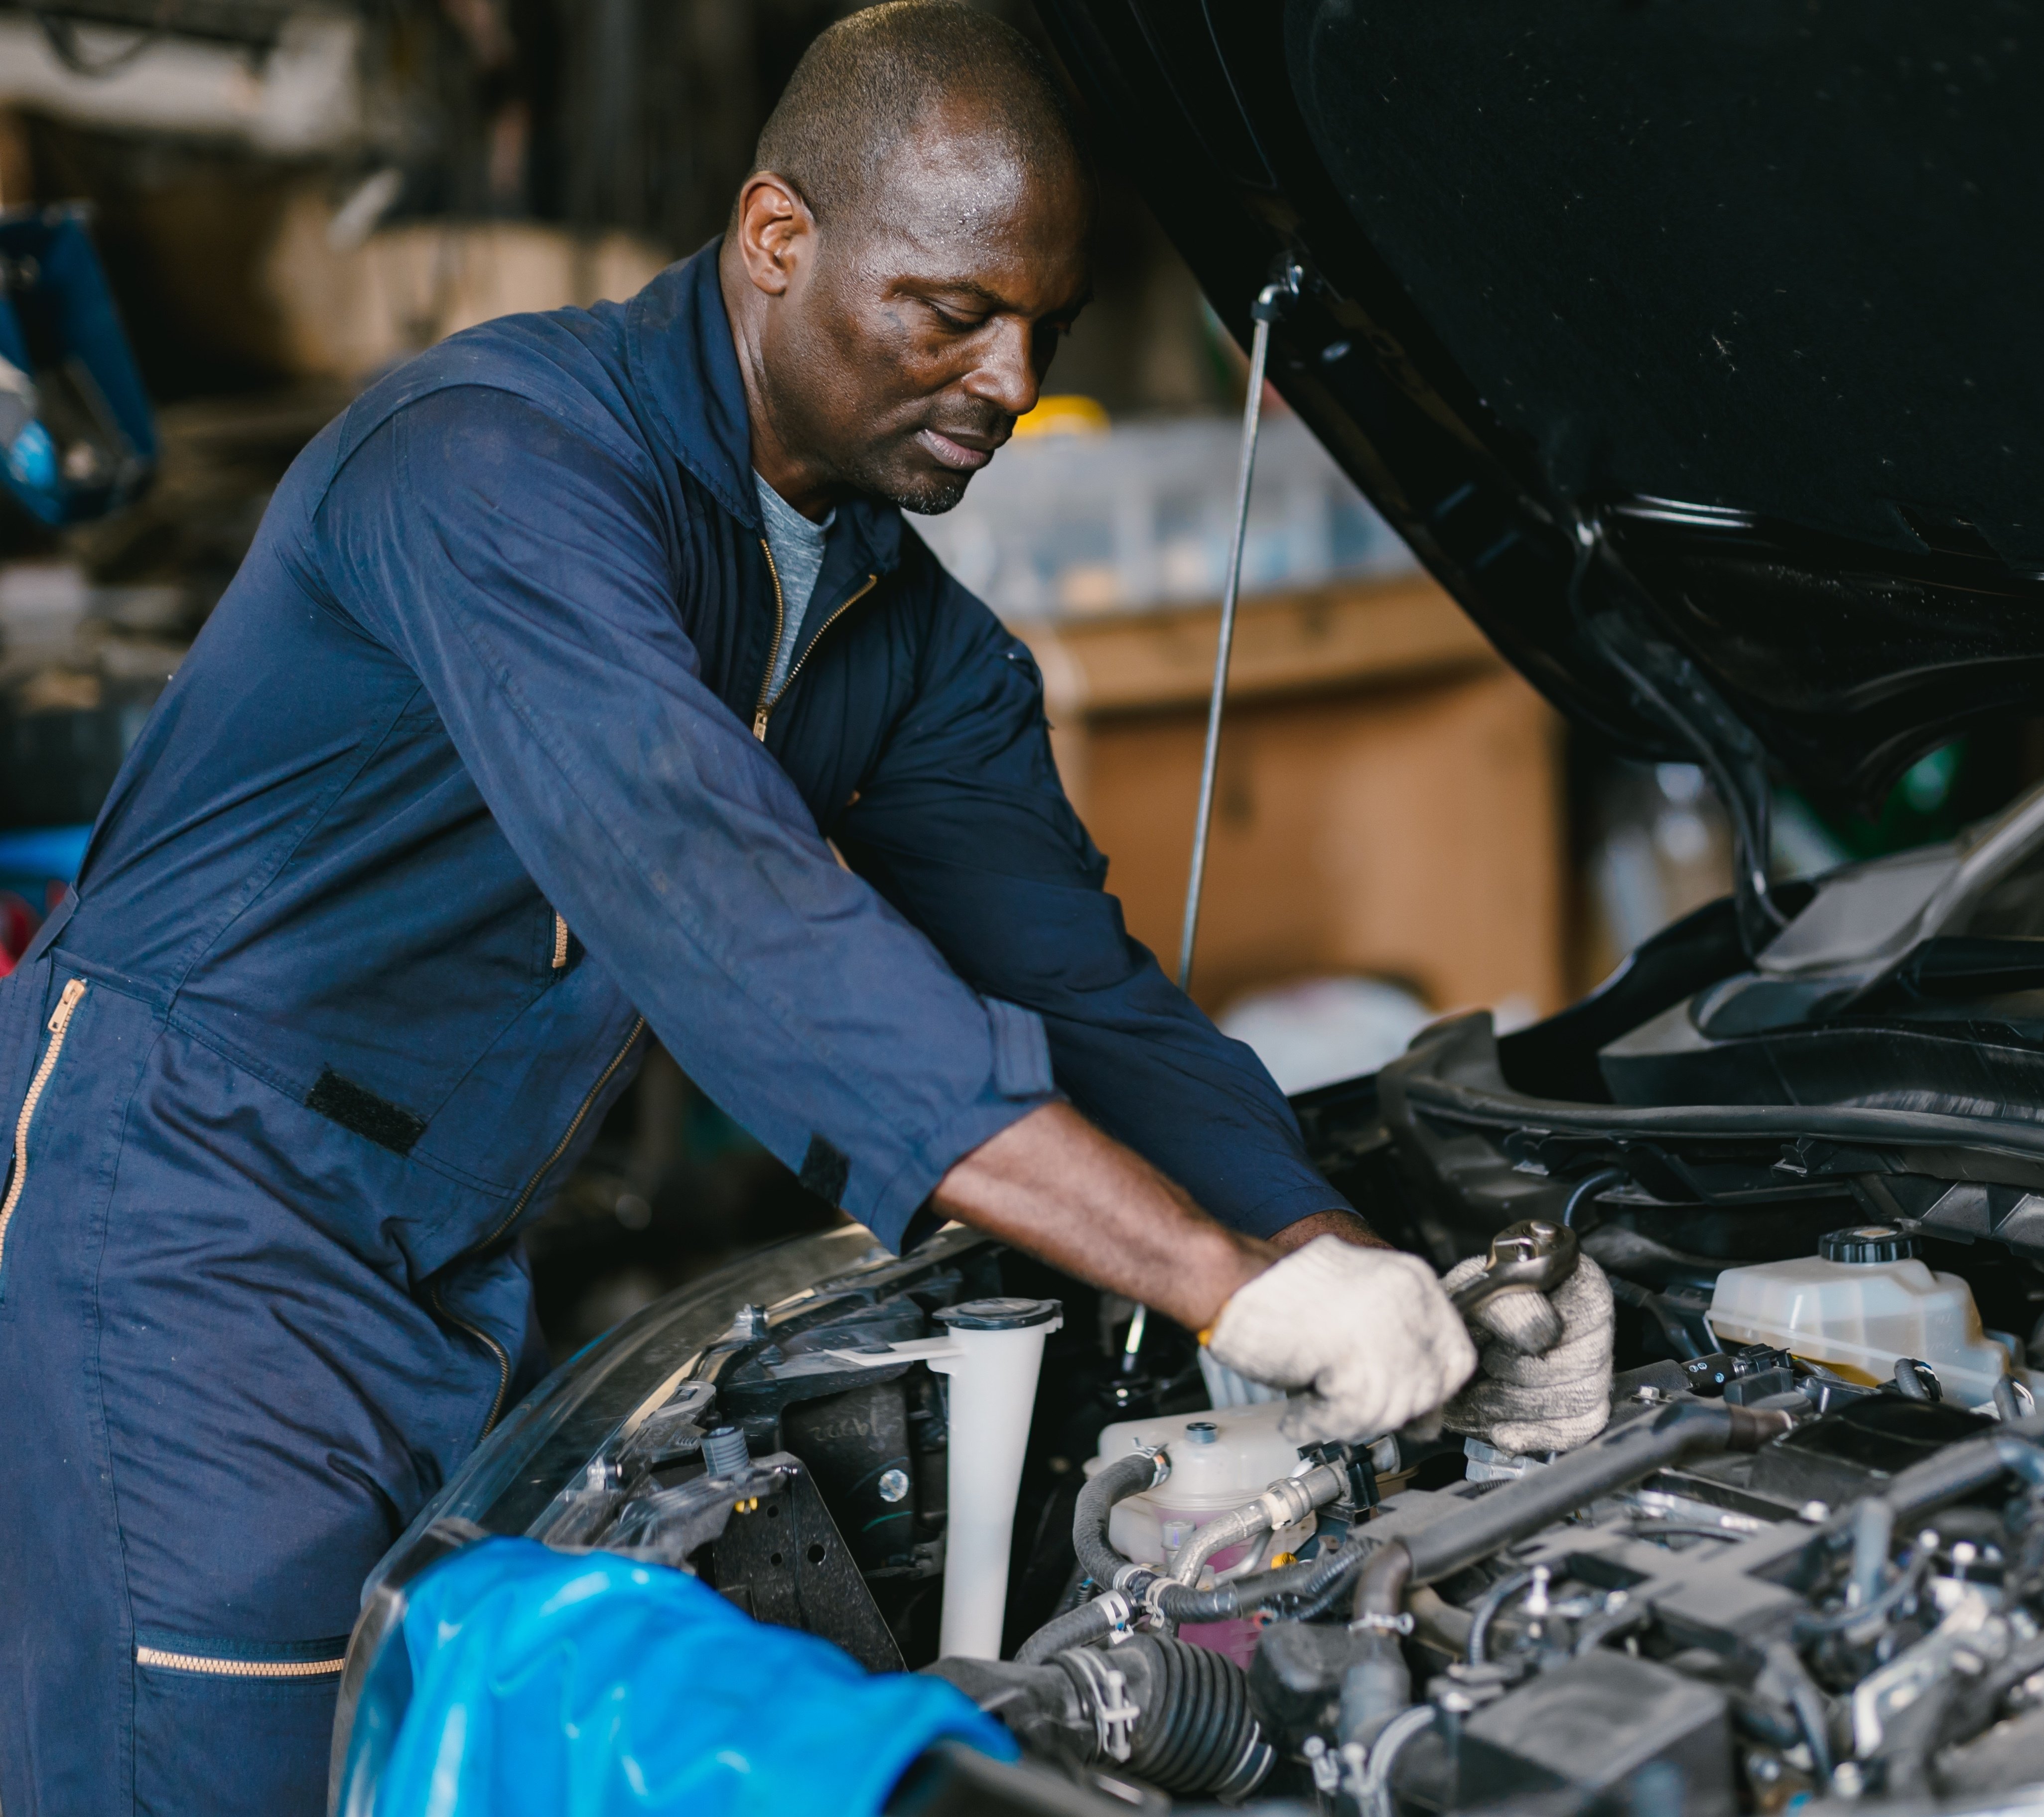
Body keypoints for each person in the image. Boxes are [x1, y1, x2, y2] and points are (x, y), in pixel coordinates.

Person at [0, 8, 1602, 1812]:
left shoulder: (898, 634)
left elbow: (1085, 994)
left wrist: (1340, 1253)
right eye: (952, 311)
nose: (1006, 381)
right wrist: (1214, 1288)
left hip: (444, 1258)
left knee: (412, 1759)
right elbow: (726, 908)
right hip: (188, 1212)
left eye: (1043, 328)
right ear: (778, 240)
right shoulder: (494, 468)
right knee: (230, 1768)